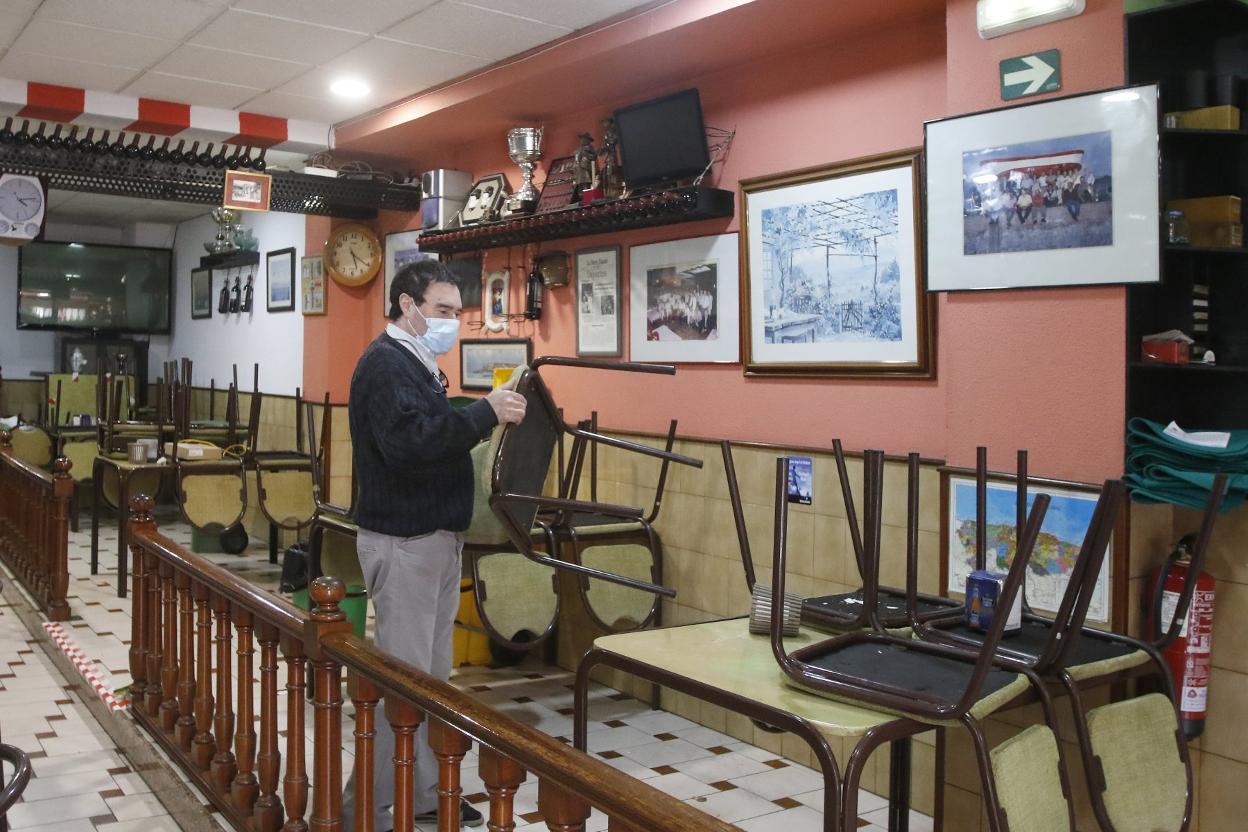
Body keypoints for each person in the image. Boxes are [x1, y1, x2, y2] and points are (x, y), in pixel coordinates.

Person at [341, 259, 527, 832]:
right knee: (401, 686)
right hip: (405, 540)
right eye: (442, 310)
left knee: (431, 681)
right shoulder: (385, 364)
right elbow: (409, 446)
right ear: (407, 305)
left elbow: (430, 437)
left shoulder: (419, 363)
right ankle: (361, 812)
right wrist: (483, 413)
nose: (452, 322)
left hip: (434, 537)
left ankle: (423, 794)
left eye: (456, 311)